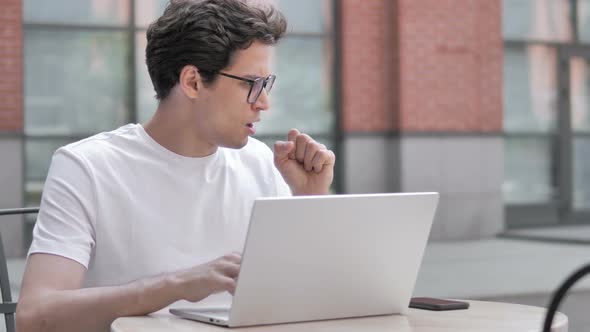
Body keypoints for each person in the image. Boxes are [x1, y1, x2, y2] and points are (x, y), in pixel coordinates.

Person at [16, 0, 336, 331]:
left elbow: (313, 303)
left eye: (266, 84)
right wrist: (177, 285)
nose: (264, 102)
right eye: (251, 84)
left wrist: (309, 198)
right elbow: (35, 315)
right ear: (193, 81)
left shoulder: (264, 165)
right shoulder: (87, 167)